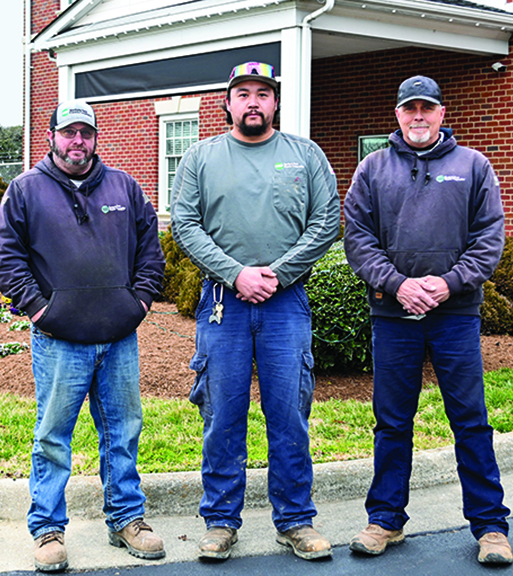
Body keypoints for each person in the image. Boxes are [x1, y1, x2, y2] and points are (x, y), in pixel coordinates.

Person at [170, 62, 340, 561]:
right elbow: (185, 224)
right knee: (222, 413)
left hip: (286, 304)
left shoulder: (304, 155)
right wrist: (235, 273)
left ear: (275, 102)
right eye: (242, 93)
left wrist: (278, 274)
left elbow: (326, 220)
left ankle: (295, 520)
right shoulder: (201, 157)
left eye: (262, 94)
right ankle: (221, 521)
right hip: (223, 303)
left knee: (289, 412)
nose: (252, 102)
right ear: (227, 103)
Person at [343, 76, 513, 565]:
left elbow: (489, 237)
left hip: (455, 315)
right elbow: (358, 238)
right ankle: (385, 520)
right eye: (409, 108)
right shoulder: (372, 169)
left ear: (441, 113)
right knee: (392, 421)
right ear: (397, 114)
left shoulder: (473, 166)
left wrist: (449, 282)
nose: (418, 116)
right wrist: (399, 285)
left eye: (427, 108)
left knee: (471, 420)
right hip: (393, 315)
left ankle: (490, 526)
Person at [0, 99, 167, 572]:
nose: (77, 141)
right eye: (68, 132)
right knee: (53, 436)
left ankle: (127, 518)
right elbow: (7, 257)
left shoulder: (123, 187)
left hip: (117, 337)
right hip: (59, 339)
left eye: (85, 133)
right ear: (50, 137)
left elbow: (151, 253)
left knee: (122, 430)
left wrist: (140, 303)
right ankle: (47, 527)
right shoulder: (26, 190)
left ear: (95, 138)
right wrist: (40, 309)